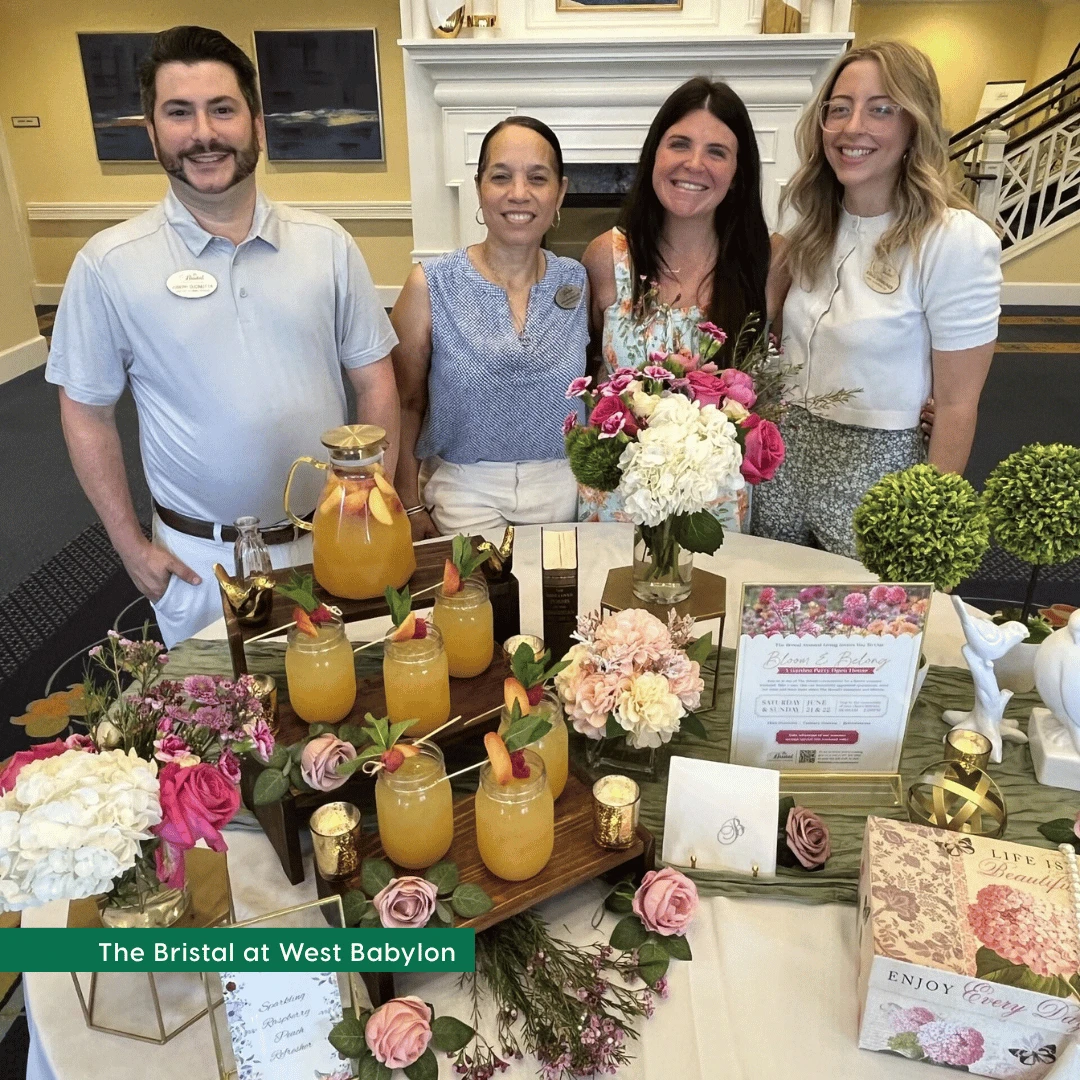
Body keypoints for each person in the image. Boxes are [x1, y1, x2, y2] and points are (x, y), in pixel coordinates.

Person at [46, 26, 399, 646]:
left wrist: (376, 513)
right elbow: (84, 410)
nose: (203, 134)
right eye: (178, 113)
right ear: (152, 132)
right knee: (226, 739)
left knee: (344, 722)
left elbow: (375, 382)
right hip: (198, 563)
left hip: (330, 546)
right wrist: (128, 545)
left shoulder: (328, 246)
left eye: (222, 109)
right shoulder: (108, 264)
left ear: (257, 126)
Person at [752, 41, 1000, 557]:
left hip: (875, 471)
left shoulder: (954, 241)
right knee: (766, 616)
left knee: (860, 628)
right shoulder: (809, 228)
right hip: (783, 465)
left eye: (881, 109)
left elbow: (957, 406)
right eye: (838, 109)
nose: (852, 127)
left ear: (915, 125)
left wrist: (926, 526)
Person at [579, 77, 772, 525]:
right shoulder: (607, 257)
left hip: (713, 508)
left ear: (739, 171)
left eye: (717, 152)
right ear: (654, 155)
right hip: (618, 498)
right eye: (679, 144)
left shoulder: (768, 263)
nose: (694, 164)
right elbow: (583, 367)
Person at [392, 117, 587, 536]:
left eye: (538, 178)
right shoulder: (430, 284)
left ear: (560, 194)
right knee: (477, 600)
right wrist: (407, 502)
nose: (519, 193)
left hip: (565, 489)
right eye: (501, 177)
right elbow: (405, 402)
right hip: (463, 490)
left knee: (562, 602)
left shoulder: (578, 281)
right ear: (479, 187)